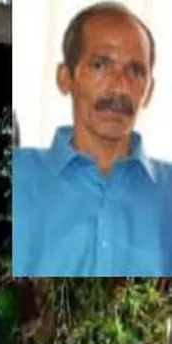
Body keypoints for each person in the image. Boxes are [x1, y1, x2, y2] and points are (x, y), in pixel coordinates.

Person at [13, 2, 172, 277]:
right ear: (65, 78)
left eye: (135, 71)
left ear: (148, 90)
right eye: (100, 65)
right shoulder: (16, 178)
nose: (119, 86)